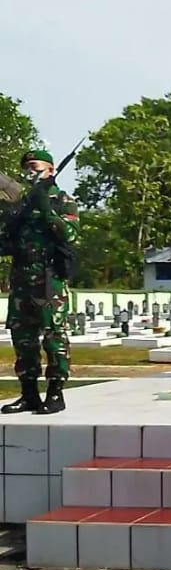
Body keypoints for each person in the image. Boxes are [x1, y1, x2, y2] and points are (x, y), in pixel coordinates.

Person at [0, 150, 80, 415]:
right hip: (21, 277)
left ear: (51, 170)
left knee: (54, 336)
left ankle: (56, 392)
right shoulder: (21, 202)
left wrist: (45, 208)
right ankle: (29, 394)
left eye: (35, 166)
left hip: (49, 278)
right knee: (23, 338)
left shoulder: (62, 200)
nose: (29, 172)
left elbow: (69, 235)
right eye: (26, 167)